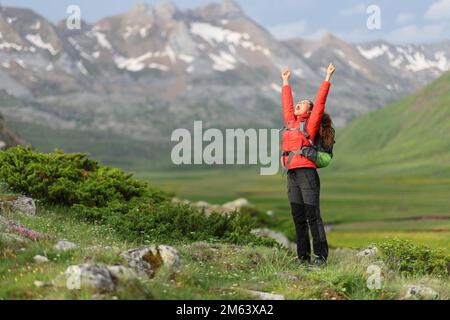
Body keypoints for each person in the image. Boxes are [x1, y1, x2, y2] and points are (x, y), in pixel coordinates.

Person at [280, 63, 336, 267]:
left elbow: (320, 101)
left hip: (307, 172)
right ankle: (303, 258)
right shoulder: (290, 122)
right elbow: (286, 105)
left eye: (303, 103)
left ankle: (320, 257)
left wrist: (327, 77)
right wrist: (285, 81)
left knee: (313, 216)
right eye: (299, 102)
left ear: (310, 111)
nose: (299, 103)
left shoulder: (309, 124)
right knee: (298, 217)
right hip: (292, 174)